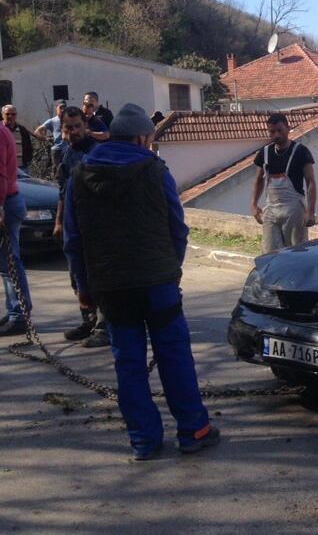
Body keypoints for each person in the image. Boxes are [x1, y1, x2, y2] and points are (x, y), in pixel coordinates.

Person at [63, 103, 219, 460]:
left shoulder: (80, 175)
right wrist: (171, 267)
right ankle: (193, 430)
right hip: (157, 283)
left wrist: (84, 288)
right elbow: (178, 227)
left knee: (128, 363)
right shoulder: (155, 170)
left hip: (111, 286)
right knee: (174, 355)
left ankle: (144, 440)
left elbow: (73, 240)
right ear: (140, 137)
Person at [53, 106, 106, 347]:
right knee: (77, 275)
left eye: (77, 126)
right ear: (62, 129)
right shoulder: (67, 155)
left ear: (86, 126)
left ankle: (105, 328)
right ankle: (88, 320)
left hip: (95, 226)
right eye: (68, 127)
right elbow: (63, 191)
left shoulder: (97, 154)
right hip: (72, 224)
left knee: (97, 277)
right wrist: (58, 221)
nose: (74, 131)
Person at [250, 113, 317, 253]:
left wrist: (310, 212)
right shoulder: (265, 153)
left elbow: (310, 182)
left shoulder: (301, 152)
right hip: (271, 209)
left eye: (280, 130)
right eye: (272, 132)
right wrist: (254, 204)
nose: (276, 135)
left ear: (288, 128)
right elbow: (258, 180)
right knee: (269, 252)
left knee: (296, 251)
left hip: (293, 209)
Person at [0, 120, 32, 337]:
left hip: (7, 203)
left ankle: (19, 314)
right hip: (8, 201)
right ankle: (15, 309)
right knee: (5, 262)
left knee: (9, 260)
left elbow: (0, 173)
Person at [34, 100, 67, 176]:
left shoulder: (69, 119)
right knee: (57, 173)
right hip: (57, 151)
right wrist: (46, 138)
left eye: (64, 108)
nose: (63, 110)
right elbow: (36, 132)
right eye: (61, 107)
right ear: (56, 108)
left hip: (69, 149)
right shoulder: (52, 121)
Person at [2, 105, 34, 170]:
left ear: (16, 115)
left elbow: (28, 146)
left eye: (13, 114)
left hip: (21, 167)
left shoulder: (22, 130)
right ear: (3, 115)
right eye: (7, 114)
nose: (10, 116)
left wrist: (28, 160)